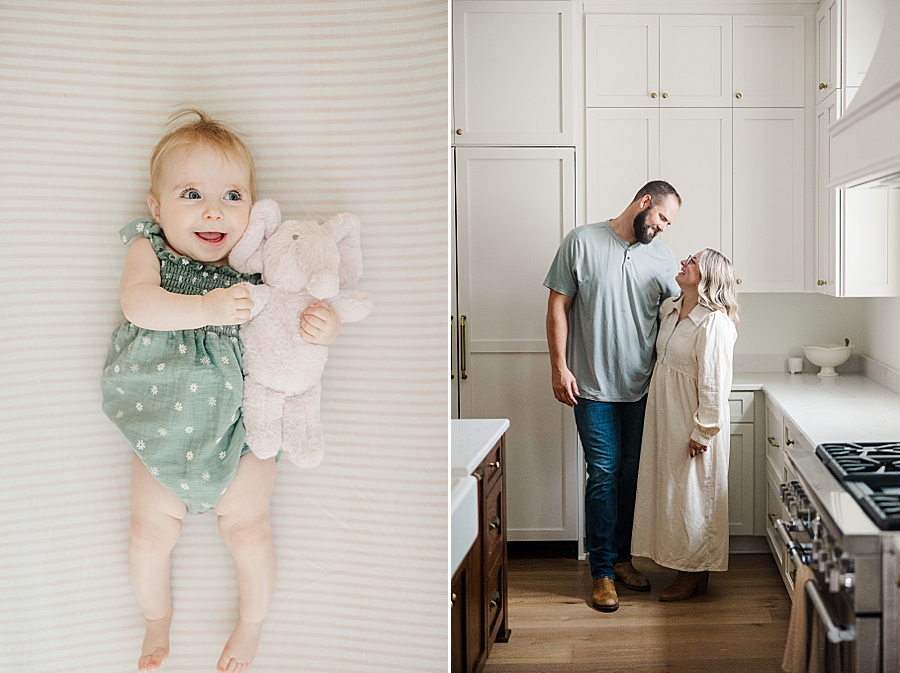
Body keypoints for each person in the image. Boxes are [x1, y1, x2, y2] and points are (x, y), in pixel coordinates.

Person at [100, 109, 341, 673]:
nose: (214, 211)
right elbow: (138, 303)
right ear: (157, 208)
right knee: (146, 536)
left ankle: (251, 623)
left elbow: (291, 325)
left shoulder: (256, 272)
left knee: (251, 531)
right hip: (159, 432)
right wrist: (205, 308)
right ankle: (156, 618)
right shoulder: (151, 250)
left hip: (240, 432)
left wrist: (320, 327)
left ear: (253, 211)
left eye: (233, 195)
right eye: (192, 194)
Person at [544, 181, 682, 613]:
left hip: (642, 388)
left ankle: (622, 560)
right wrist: (559, 366)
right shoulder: (581, 241)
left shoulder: (662, 256)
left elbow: (681, 312)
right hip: (591, 388)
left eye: (667, 224)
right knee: (602, 474)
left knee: (628, 476)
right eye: (661, 218)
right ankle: (602, 572)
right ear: (645, 203)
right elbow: (557, 307)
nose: (662, 229)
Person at [631, 248, 739, 601]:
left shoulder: (715, 323)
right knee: (676, 494)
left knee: (695, 495)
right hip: (667, 417)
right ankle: (693, 571)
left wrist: (703, 430)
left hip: (693, 421)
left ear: (706, 276)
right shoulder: (671, 311)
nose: (683, 263)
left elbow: (714, 383)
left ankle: (690, 574)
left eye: (692, 262)